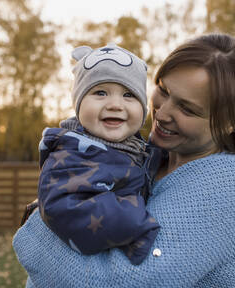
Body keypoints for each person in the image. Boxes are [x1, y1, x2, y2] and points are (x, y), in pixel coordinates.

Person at [13, 33, 235, 288]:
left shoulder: (227, 182)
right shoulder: (142, 154)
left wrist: (37, 223)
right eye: (163, 90)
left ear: (232, 122)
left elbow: (118, 283)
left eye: (187, 108)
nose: (162, 113)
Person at [31, 42, 160, 266]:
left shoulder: (138, 149)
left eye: (129, 95)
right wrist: (136, 226)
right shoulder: (71, 154)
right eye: (100, 92)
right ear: (78, 105)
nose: (115, 104)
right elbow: (65, 208)